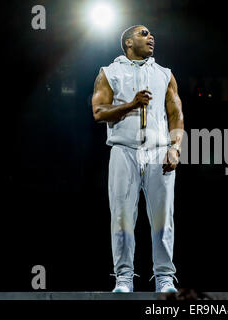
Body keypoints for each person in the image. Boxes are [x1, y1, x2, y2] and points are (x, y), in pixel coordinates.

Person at [91, 25, 184, 293]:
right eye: (144, 33)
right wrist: (130, 105)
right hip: (124, 150)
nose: (151, 36)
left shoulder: (164, 74)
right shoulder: (109, 72)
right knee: (121, 216)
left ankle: (165, 277)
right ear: (128, 42)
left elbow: (176, 114)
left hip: (159, 150)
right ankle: (124, 278)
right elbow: (99, 112)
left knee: (163, 217)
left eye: (152, 33)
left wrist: (175, 147)